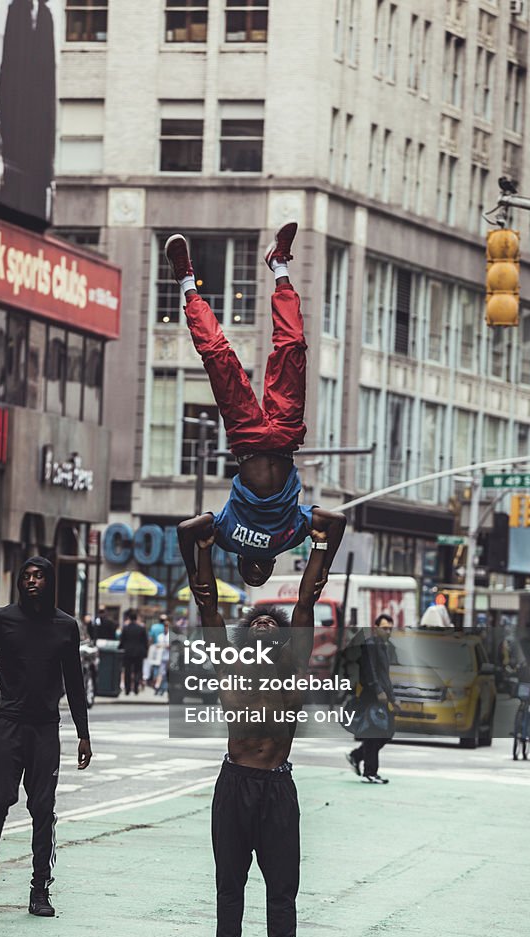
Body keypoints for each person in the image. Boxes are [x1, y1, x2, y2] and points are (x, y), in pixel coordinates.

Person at [190, 523, 328, 937]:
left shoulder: (293, 668)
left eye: (273, 623)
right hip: (234, 785)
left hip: (277, 787)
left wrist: (322, 545)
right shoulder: (230, 665)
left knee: (282, 882)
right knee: (229, 880)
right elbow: (206, 603)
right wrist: (204, 549)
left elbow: (307, 601)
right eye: (256, 623)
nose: (264, 625)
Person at [169, 224, 346, 592]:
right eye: (261, 577)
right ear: (270, 568)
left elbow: (186, 529)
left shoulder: (227, 536)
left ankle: (187, 281)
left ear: (240, 564)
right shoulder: (291, 537)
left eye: (253, 577)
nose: (257, 576)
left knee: (218, 357)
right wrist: (323, 564)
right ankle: (279, 266)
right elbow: (338, 520)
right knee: (293, 348)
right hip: (284, 437)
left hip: (246, 438)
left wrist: (194, 570)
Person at [0, 557, 92, 917]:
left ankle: (40, 888)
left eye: (39, 576)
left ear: (50, 582)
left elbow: (75, 682)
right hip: (9, 725)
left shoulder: (66, 626)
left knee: (43, 810)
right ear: (19, 582)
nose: (32, 581)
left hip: (46, 728)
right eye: (27, 576)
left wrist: (84, 733)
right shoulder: (3, 620)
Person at [0, 0, 56, 219]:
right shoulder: (16, 10)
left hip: (38, 119)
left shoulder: (46, 16)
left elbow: (49, 75)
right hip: (16, 111)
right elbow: (8, 65)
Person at [345, 615, 401, 784]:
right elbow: (371, 672)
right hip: (370, 696)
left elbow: (385, 676)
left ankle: (357, 756)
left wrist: (393, 698)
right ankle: (370, 772)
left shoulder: (385, 647)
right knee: (375, 733)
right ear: (375, 627)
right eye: (385, 628)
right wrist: (378, 691)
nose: (388, 631)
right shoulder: (370, 645)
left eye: (390, 628)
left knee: (386, 733)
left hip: (381, 696)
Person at [118, 610, 148, 696]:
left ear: (129, 618)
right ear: (136, 618)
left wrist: (120, 648)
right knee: (138, 671)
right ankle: (135, 688)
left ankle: (127, 689)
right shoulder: (141, 628)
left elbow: (122, 640)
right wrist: (145, 652)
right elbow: (145, 642)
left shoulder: (126, 628)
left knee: (127, 671)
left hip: (127, 652)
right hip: (139, 653)